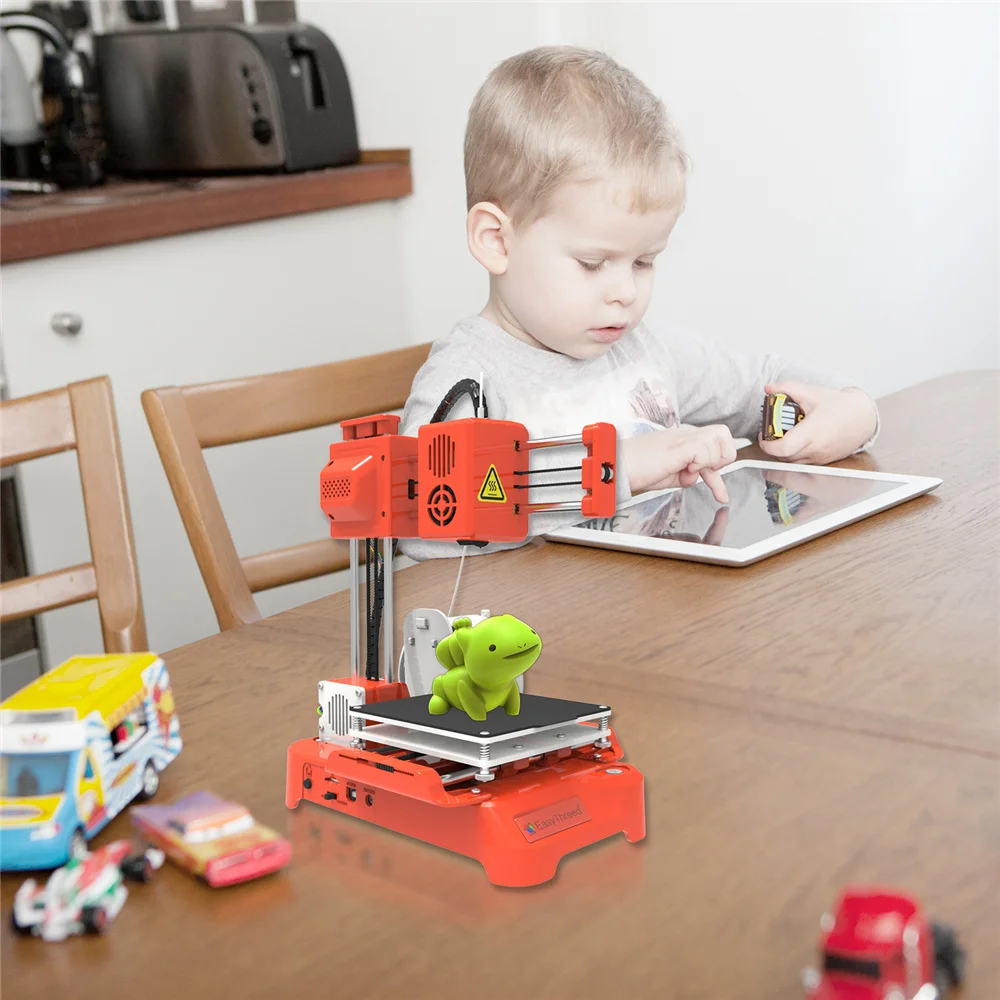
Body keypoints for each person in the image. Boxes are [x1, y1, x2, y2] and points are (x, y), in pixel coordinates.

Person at [400, 46, 878, 560]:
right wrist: (618, 468)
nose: (626, 291)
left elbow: (767, 381)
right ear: (496, 240)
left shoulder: (644, 353)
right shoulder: (469, 382)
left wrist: (855, 409)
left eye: (645, 261)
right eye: (592, 263)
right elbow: (424, 527)